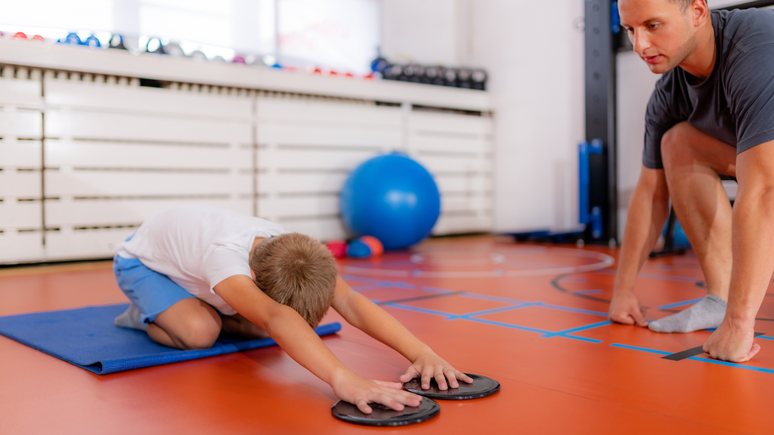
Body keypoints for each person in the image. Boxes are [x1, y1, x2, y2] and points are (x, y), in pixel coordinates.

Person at [112, 205, 472, 413]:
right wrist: (343, 378)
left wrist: (422, 353)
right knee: (199, 332)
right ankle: (143, 315)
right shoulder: (224, 259)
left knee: (267, 330)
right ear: (252, 278)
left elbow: (351, 302)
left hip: (195, 263)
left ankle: (207, 306)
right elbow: (276, 316)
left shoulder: (302, 252)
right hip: (142, 262)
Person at [610, 0, 774, 362]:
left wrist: (739, 325)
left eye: (653, 25)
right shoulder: (668, 95)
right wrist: (622, 291)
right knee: (678, 144)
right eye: (630, 30)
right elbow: (650, 194)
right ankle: (720, 299)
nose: (639, 45)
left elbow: (765, 190)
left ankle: (733, 314)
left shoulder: (757, 48)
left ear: (698, 12)